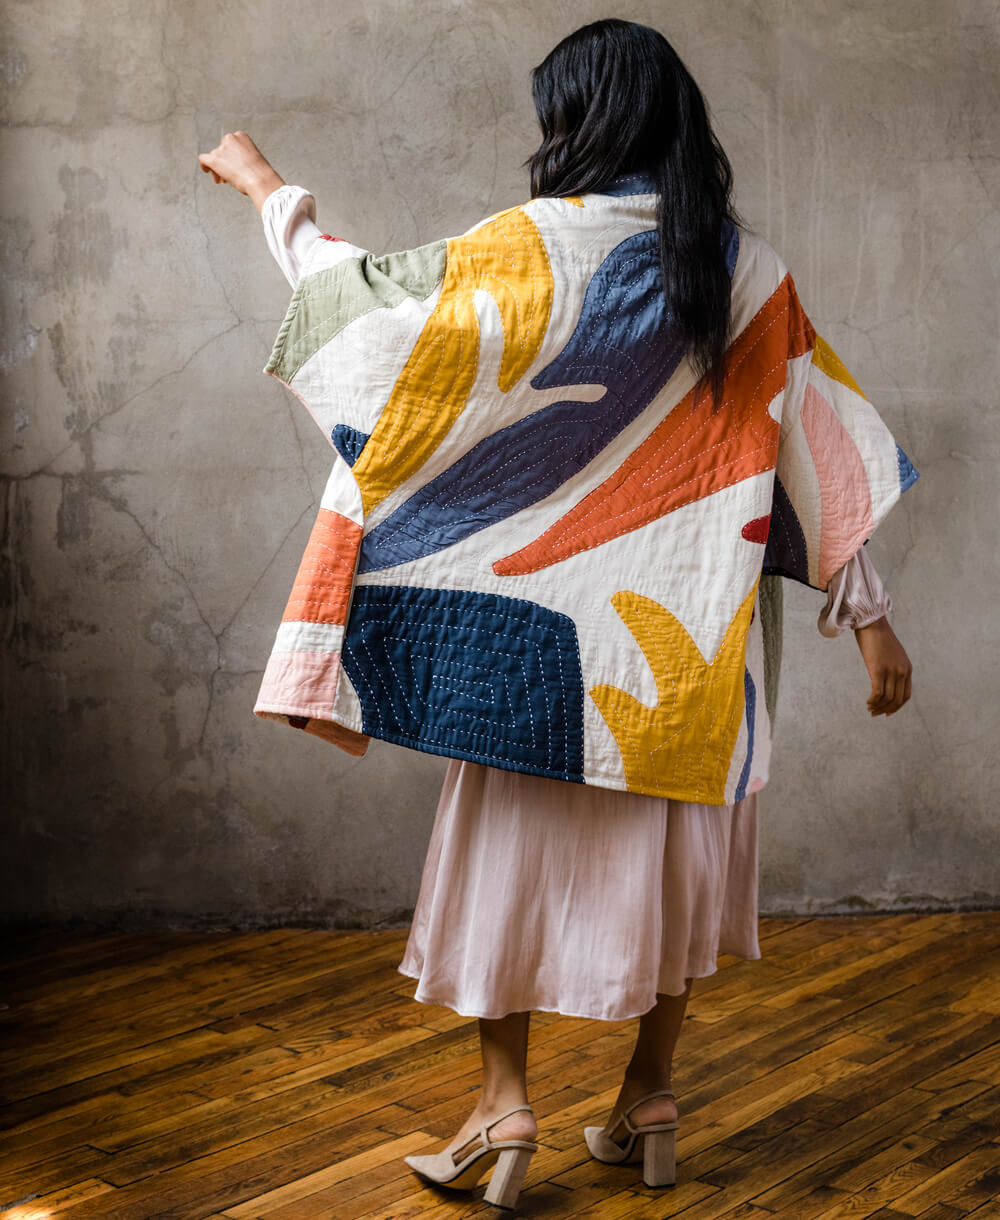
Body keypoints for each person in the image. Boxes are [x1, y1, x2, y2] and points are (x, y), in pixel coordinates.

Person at [199, 17, 914, 1208]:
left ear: (577, 123)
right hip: (690, 657)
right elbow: (815, 446)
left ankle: (505, 1106)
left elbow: (369, 316)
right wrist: (870, 616)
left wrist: (268, 186)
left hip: (530, 650)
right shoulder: (744, 270)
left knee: (502, 874)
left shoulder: (523, 248)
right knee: (677, 874)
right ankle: (648, 1093)